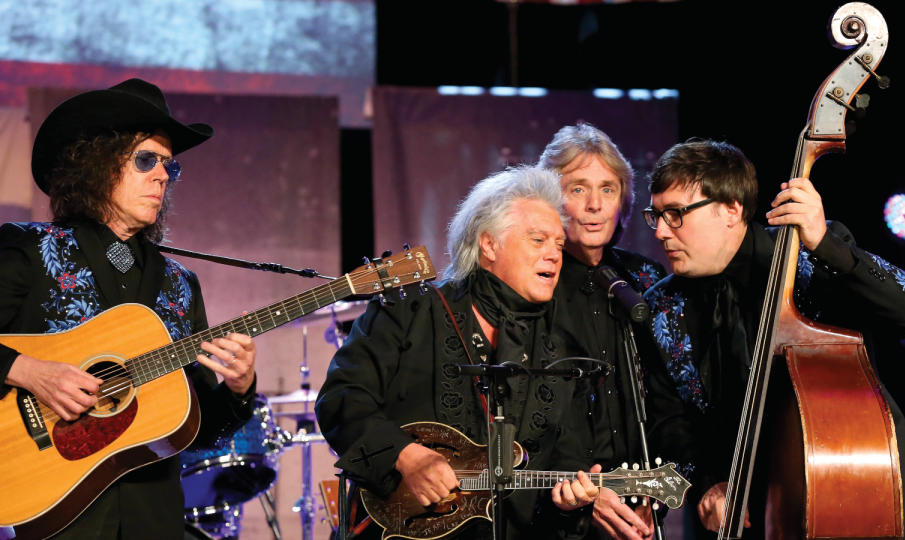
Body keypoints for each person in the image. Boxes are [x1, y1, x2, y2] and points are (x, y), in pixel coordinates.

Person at [639, 139, 905, 538]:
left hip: (866, 494)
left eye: (676, 214)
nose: (662, 231)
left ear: (731, 209)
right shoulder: (661, 307)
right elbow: (670, 419)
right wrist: (708, 481)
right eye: (656, 216)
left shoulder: (808, 258)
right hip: (757, 519)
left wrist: (827, 246)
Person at [0, 79, 257, 539]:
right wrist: (28, 371)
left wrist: (238, 389)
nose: (162, 175)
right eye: (146, 160)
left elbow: (194, 429)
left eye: (169, 166)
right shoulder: (28, 250)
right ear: (97, 166)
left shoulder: (180, 285)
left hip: (152, 517)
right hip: (50, 506)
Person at [316, 166, 598, 539]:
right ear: (489, 244)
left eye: (559, 244)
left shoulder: (561, 351)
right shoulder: (409, 309)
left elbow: (567, 466)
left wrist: (570, 504)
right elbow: (341, 399)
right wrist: (406, 455)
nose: (554, 255)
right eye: (538, 240)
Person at [538, 123, 665, 540]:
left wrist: (653, 493)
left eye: (607, 189)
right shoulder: (534, 283)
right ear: (549, 200)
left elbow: (670, 397)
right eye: (577, 189)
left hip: (636, 510)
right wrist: (579, 497)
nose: (595, 205)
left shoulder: (644, 279)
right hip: (553, 510)